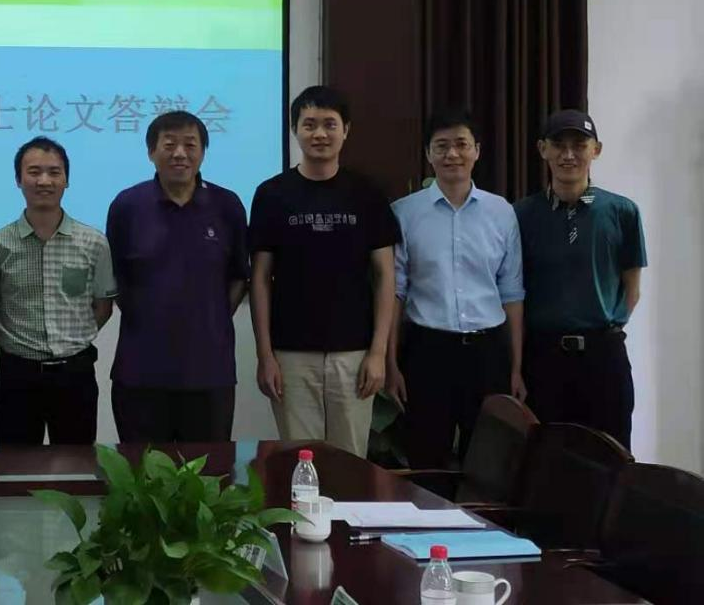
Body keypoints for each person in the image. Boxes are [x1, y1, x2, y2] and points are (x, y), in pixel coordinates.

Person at [249, 85, 398, 458]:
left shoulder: (367, 192)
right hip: (290, 354)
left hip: (355, 354)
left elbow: (385, 276)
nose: (319, 133)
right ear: (295, 130)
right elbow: (260, 279)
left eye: (330, 124)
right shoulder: (272, 194)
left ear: (346, 130)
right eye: (309, 124)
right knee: (300, 461)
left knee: (351, 461)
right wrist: (265, 355)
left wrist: (378, 352)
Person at [386, 109, 525, 469]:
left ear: (477, 150)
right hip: (427, 351)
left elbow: (512, 293)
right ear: (428, 154)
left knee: (490, 462)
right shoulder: (404, 213)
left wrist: (516, 366)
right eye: (441, 146)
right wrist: (391, 363)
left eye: (461, 145)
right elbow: (395, 292)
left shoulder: (501, 212)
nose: (452, 154)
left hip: (488, 352)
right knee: (426, 459)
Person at [107, 111, 249, 443]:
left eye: (190, 145)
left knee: (209, 468)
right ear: (151, 152)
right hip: (140, 370)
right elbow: (114, 279)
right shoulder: (127, 206)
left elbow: (239, 277)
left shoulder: (227, 205)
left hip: (209, 371)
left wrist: (208, 316)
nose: (180, 154)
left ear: (203, 152)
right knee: (140, 468)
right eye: (169, 145)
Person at [515, 110, 646, 448]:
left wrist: (608, 328)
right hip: (543, 357)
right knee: (545, 458)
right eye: (559, 145)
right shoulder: (521, 215)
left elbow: (632, 288)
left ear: (596, 150)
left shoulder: (622, 211)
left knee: (610, 454)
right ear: (542, 149)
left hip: (603, 356)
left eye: (579, 145)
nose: (568, 155)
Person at [0, 136, 115, 445]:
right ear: (18, 180)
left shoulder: (93, 242)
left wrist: (73, 338)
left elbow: (103, 306)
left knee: (77, 463)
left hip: (75, 374)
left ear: (66, 179)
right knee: (14, 464)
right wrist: (16, 342)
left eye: (54, 172)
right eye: (34, 172)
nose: (44, 181)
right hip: (17, 374)